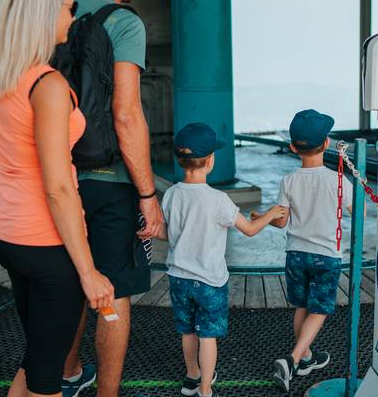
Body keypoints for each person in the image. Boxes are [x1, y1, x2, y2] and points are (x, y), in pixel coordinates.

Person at [0, 0, 114, 397]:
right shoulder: (48, 86)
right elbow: (57, 187)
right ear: (44, 10)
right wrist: (88, 271)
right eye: (69, 6)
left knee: (38, 360)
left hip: (10, 238)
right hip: (48, 245)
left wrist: (11, 219)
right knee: (48, 378)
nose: (72, 17)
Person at [62, 0, 170, 397]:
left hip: (58, 178)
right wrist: (148, 194)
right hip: (109, 180)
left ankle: (66, 375)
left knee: (67, 282)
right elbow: (126, 115)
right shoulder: (123, 22)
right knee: (114, 290)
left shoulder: (54, 13)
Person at [152, 122, 287, 397]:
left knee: (188, 331)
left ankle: (192, 377)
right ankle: (205, 389)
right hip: (209, 281)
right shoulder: (218, 199)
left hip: (178, 278)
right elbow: (249, 230)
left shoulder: (172, 194)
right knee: (207, 336)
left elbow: (170, 234)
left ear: (180, 160)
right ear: (210, 161)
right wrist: (271, 214)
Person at [254, 109, 355, 393]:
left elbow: (282, 221)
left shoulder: (288, 181)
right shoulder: (337, 180)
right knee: (319, 309)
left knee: (301, 306)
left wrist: (262, 217)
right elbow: (356, 211)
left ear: (292, 148)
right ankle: (293, 358)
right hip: (326, 254)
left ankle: (307, 357)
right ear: (327, 144)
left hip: (296, 253)